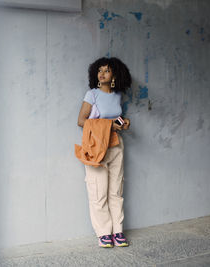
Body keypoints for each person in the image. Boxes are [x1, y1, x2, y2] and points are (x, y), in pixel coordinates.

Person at [77, 57, 132, 248]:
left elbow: (116, 118)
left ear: (115, 74)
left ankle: (118, 230)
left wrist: (124, 123)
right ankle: (103, 233)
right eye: (99, 70)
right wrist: (110, 125)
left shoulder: (117, 96)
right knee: (98, 191)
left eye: (107, 70)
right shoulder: (92, 95)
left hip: (116, 145)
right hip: (96, 147)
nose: (102, 73)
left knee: (116, 191)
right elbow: (82, 121)